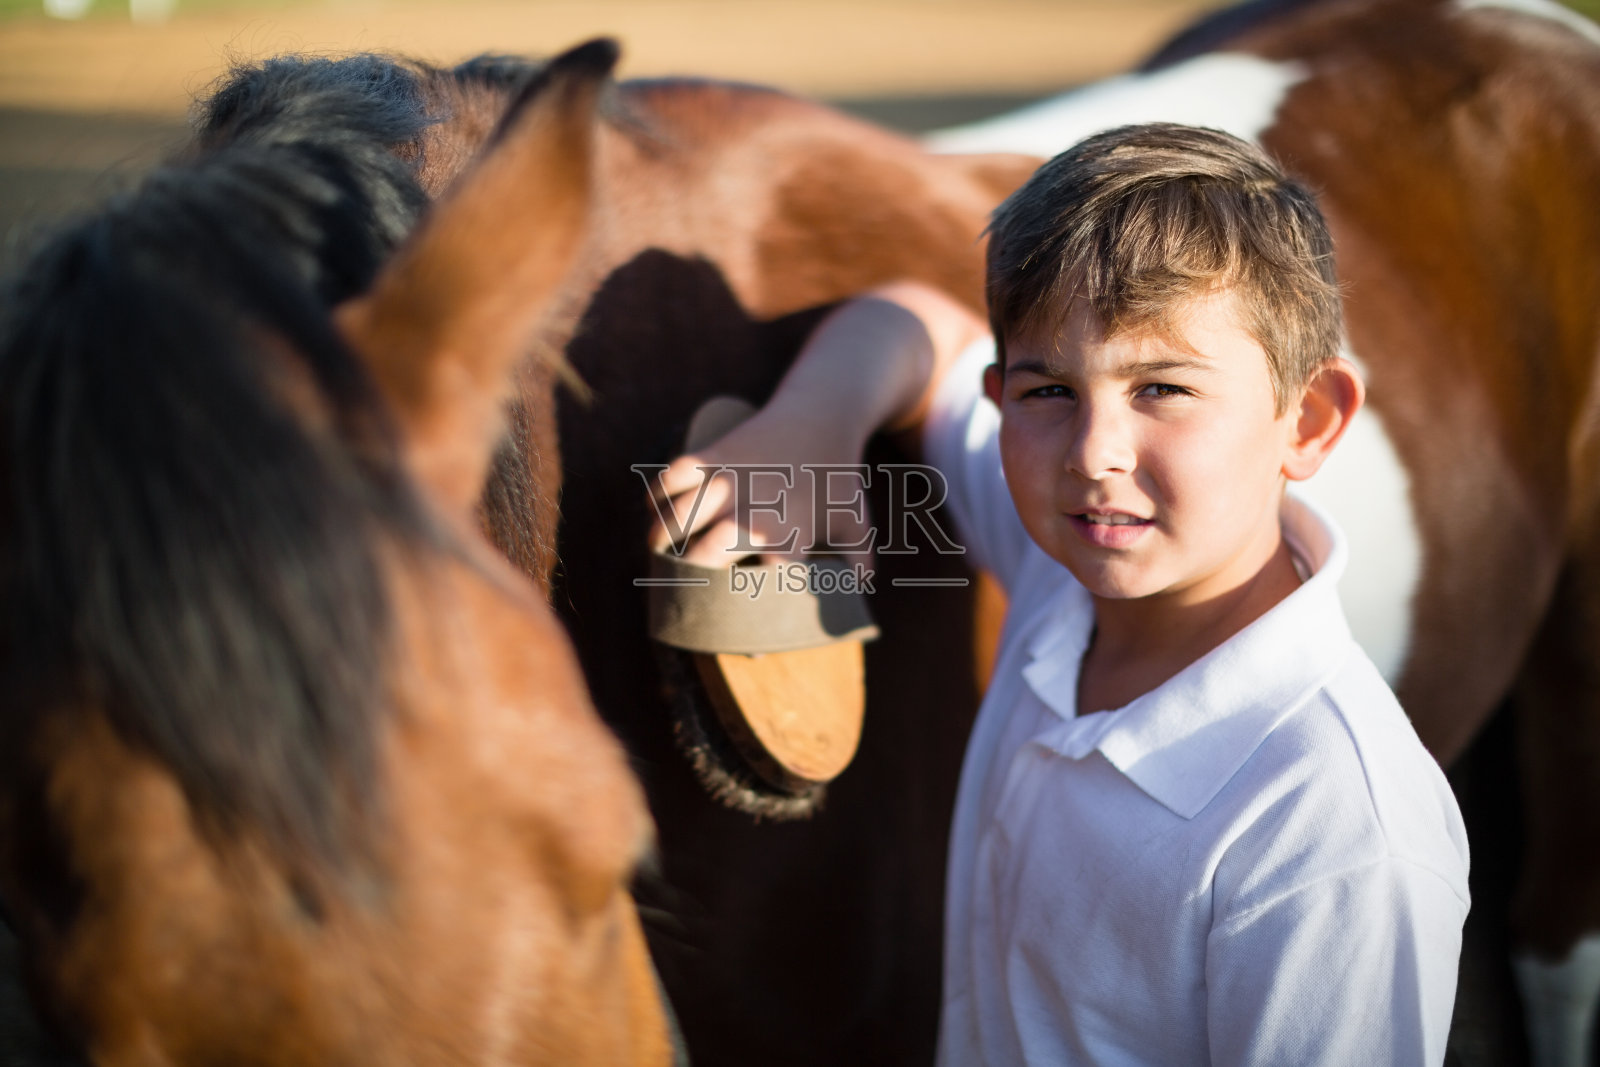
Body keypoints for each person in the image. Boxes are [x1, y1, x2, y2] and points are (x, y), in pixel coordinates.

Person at [649, 122, 1470, 1065]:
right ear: (1002, 397)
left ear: (1309, 420)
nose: (1092, 453)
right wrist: (812, 426)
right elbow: (912, 323)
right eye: (1049, 392)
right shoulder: (1072, 574)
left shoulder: (1333, 832)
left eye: (1162, 388)